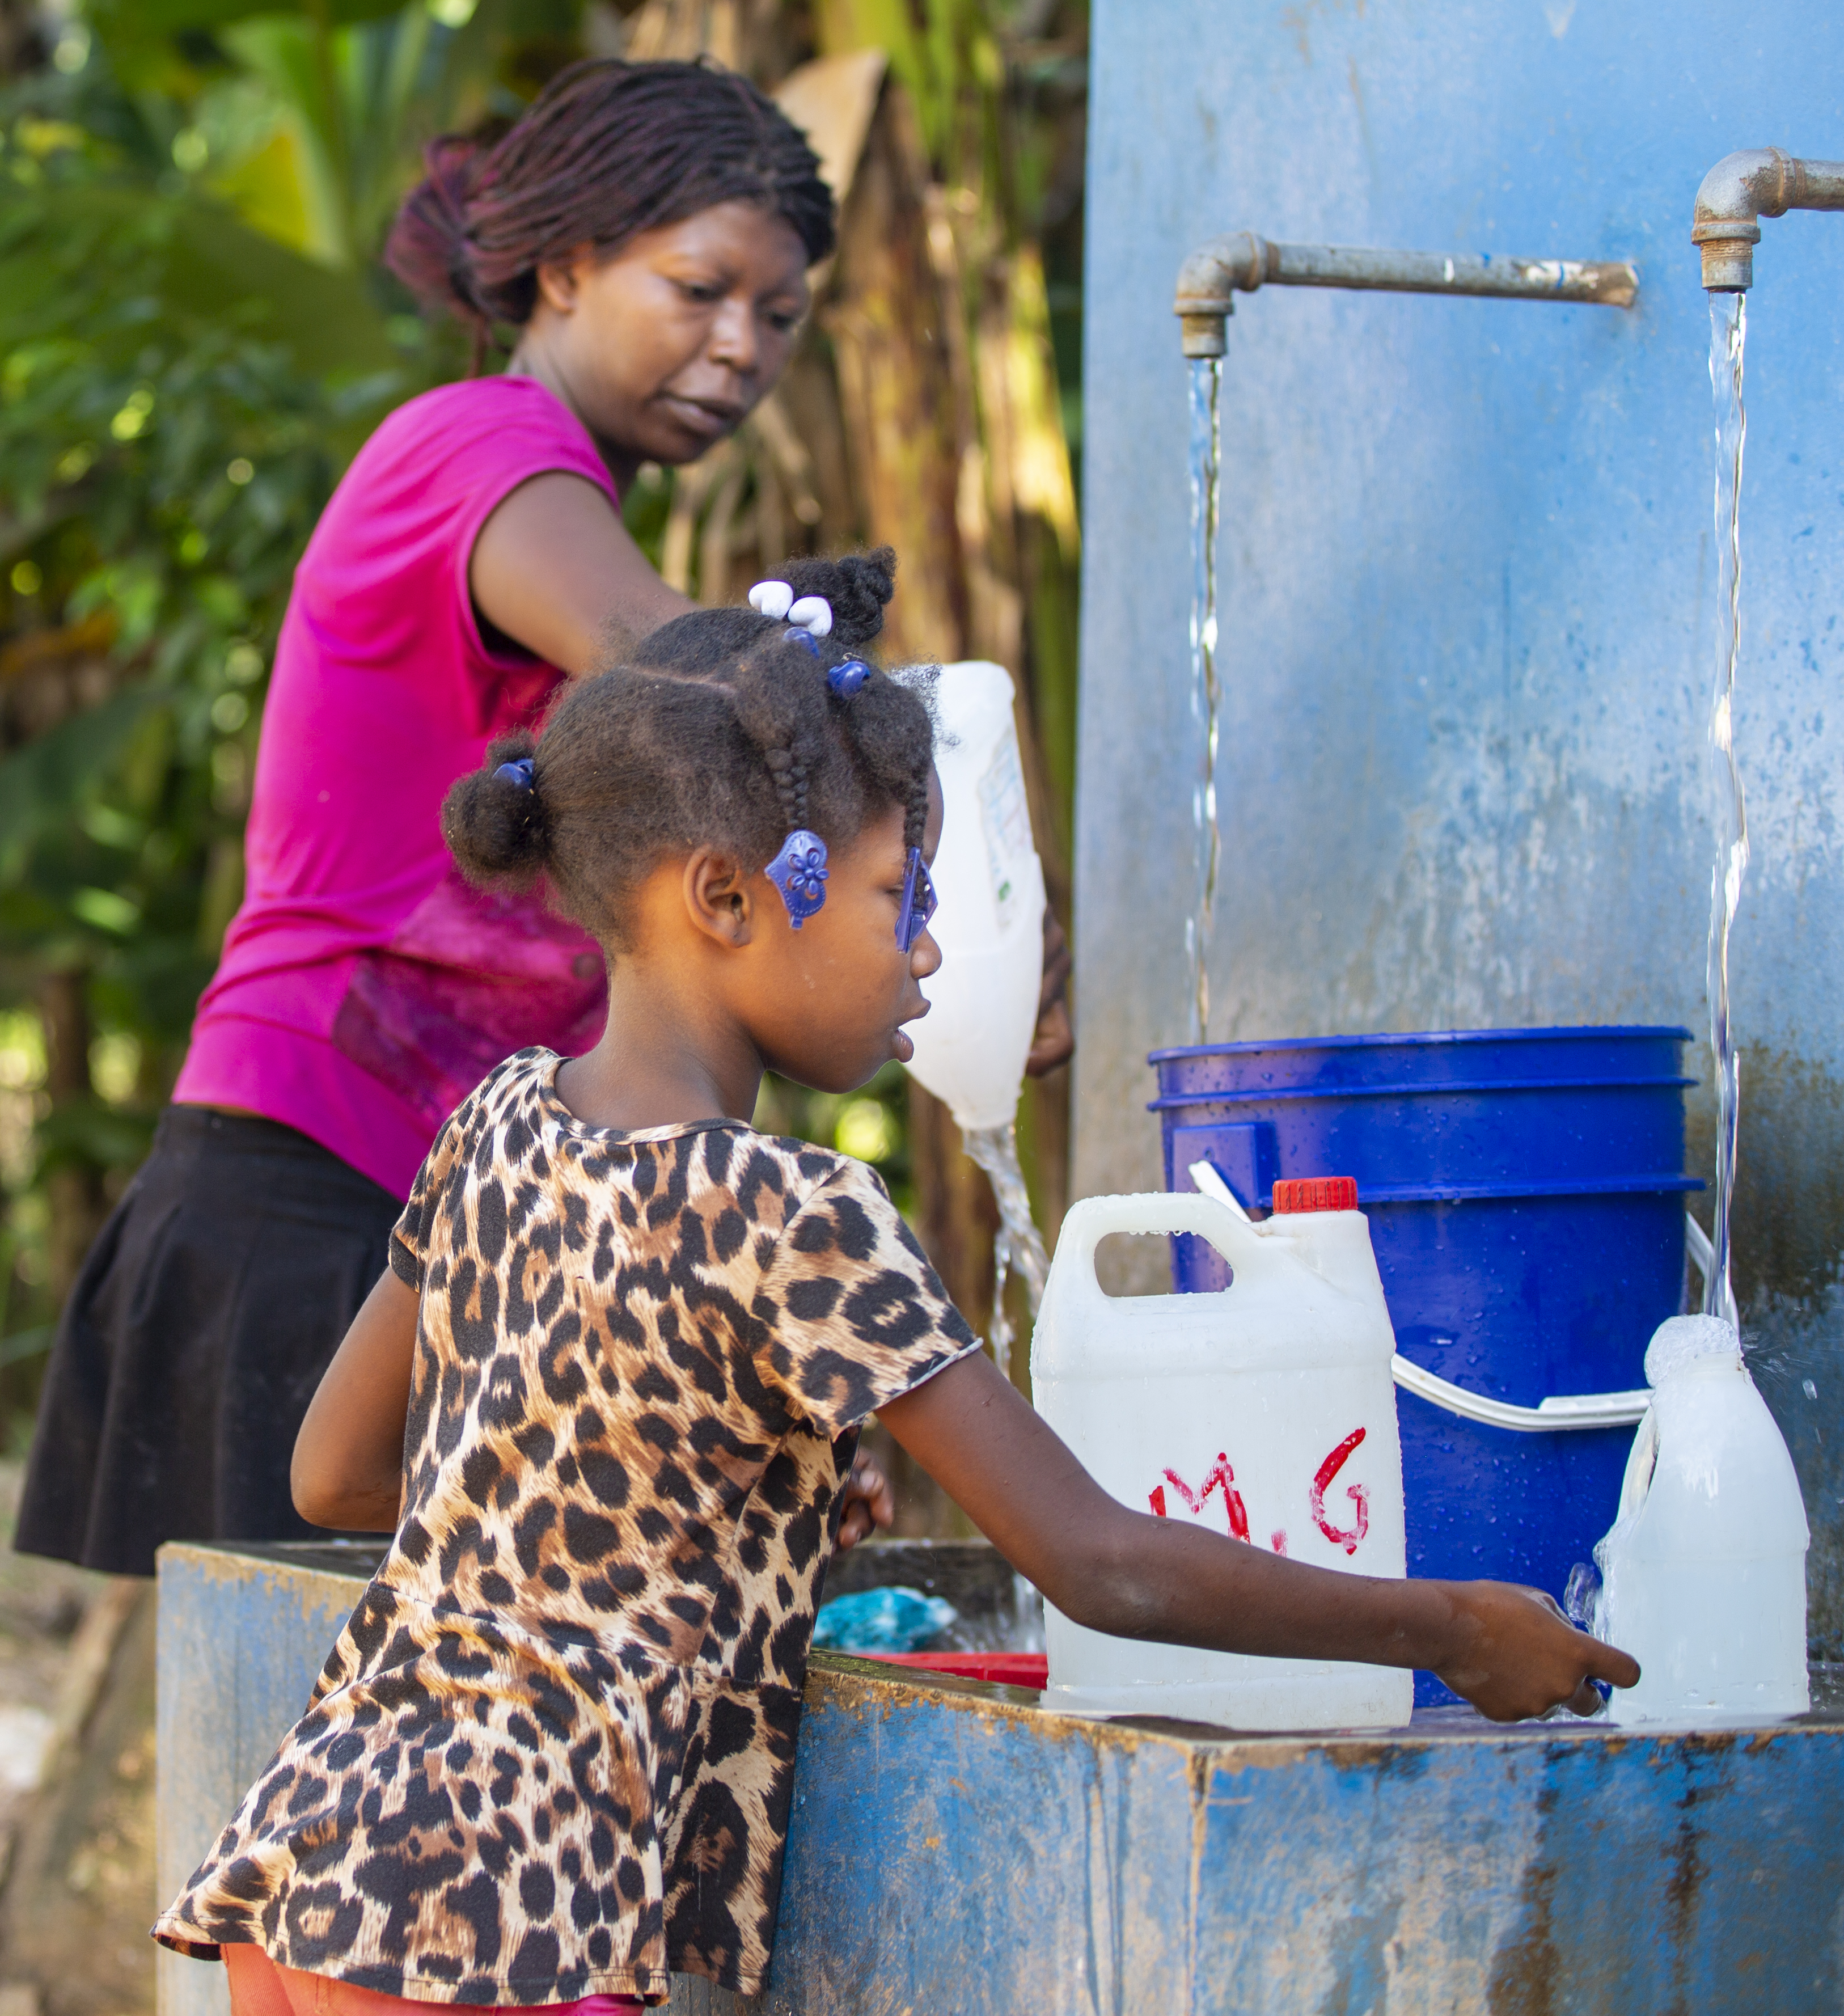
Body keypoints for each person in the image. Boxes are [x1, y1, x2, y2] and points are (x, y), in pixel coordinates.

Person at [151, 556, 1638, 2010]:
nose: (930, 953)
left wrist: (706, 1493)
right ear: (725, 898)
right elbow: (1099, 1564)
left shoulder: (492, 1117)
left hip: (321, 1856)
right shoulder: (797, 1211)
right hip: (514, 1922)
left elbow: (338, 1473)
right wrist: (1448, 1628)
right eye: (894, 895)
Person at [17, 60, 1069, 1576]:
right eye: (701, 289)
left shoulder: (554, 484)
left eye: (777, 315)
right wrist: (976, 897)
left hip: (449, 1209)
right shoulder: (476, 449)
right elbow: (694, 677)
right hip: (311, 1181)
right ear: (565, 268)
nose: (740, 348)